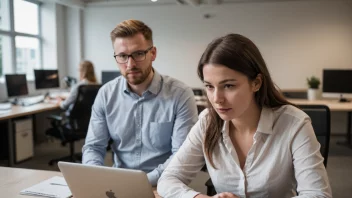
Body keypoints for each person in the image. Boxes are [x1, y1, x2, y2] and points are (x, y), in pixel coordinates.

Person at [157, 34, 332, 198]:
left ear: (256, 83)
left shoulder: (294, 123)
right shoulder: (208, 121)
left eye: (229, 86)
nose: (217, 99)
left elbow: (317, 194)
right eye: (210, 86)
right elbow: (168, 179)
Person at [82, 19, 198, 186]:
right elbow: (93, 147)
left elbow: (181, 156)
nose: (130, 64)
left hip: (165, 184)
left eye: (138, 54)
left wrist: (141, 183)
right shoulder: (106, 94)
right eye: (122, 56)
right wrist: (97, 179)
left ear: (153, 53)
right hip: (117, 186)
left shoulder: (180, 94)